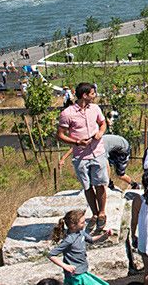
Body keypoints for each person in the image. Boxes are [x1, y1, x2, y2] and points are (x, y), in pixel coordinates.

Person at [57, 83, 109, 232]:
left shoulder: (95, 108)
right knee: (87, 187)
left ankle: (102, 213)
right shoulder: (67, 113)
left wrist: (100, 133)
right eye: (92, 93)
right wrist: (77, 142)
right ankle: (94, 212)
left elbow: (103, 123)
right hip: (81, 156)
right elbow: (60, 135)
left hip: (97, 151)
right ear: (85, 95)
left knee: (100, 184)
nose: (95, 96)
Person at [47, 209, 113, 285]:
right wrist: (65, 266)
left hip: (82, 271)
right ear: (73, 225)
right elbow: (51, 255)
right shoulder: (69, 240)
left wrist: (105, 235)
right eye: (82, 222)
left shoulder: (81, 233)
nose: (85, 223)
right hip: (75, 275)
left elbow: (91, 240)